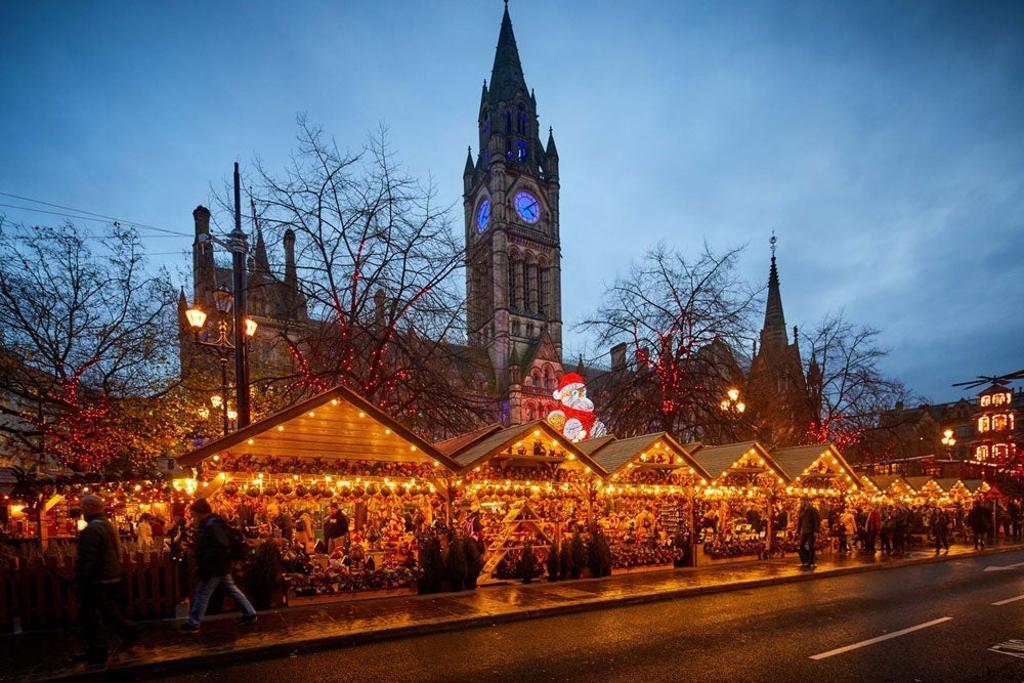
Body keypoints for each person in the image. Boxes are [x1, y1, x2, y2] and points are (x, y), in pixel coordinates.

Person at [73, 495, 139, 665]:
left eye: (82, 507)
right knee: (107, 611)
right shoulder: (106, 525)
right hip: (110, 575)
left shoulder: (92, 530)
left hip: (98, 578)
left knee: (91, 615)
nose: (81, 510)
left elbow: (87, 558)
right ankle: (127, 631)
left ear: (89, 508)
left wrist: (80, 580)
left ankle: (98, 650)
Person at [182, 498, 257, 632]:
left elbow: (219, 545)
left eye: (193, 514)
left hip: (214, 566)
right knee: (232, 589)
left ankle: (193, 623)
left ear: (200, 513)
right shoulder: (214, 523)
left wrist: (206, 559)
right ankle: (250, 613)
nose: (193, 518)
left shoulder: (211, 525)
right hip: (220, 565)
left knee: (203, 593)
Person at [797, 498, 821, 569]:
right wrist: (798, 531)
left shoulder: (813, 510)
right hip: (804, 531)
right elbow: (800, 522)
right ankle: (805, 560)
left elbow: (817, 521)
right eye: (802, 501)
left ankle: (811, 562)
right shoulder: (802, 511)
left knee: (811, 546)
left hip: (811, 531)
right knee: (801, 546)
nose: (802, 503)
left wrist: (816, 531)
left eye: (804, 501)